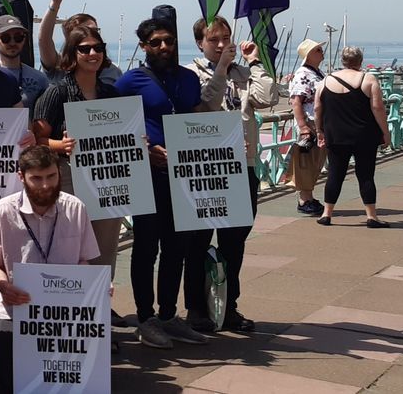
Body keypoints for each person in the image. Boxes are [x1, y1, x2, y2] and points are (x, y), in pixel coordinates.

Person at [116, 17, 211, 349]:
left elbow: (197, 117)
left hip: (184, 175)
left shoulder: (188, 78)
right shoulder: (130, 81)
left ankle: (170, 315)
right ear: (143, 46)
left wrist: (224, 143)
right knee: (145, 248)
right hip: (147, 176)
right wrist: (143, 149)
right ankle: (146, 319)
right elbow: (114, 125)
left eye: (168, 40)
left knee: (177, 248)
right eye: (155, 42)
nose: (164, 47)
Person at [181, 17, 278, 332]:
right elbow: (202, 108)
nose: (223, 44)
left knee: (234, 242)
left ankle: (228, 305)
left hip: (242, 167)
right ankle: (196, 308)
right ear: (200, 43)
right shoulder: (191, 74)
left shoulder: (244, 73)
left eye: (226, 37)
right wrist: (221, 66)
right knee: (197, 243)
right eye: (214, 40)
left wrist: (254, 61)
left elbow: (269, 96)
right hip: (206, 170)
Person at [0, 145, 102, 393]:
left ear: (59, 172)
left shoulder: (75, 208)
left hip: (63, 310)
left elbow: (84, 260)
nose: (46, 185)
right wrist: (4, 286)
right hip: (13, 307)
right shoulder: (1, 212)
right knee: (10, 375)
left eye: (51, 176)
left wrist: (94, 285)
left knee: (73, 377)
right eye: (36, 178)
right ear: (21, 177)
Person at [30, 26, 125, 320]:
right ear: (72, 54)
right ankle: (71, 315)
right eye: (85, 49)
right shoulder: (57, 92)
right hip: (69, 177)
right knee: (70, 248)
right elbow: (36, 138)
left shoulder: (111, 92)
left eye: (98, 47)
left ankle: (98, 313)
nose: (93, 53)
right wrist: (61, 144)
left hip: (108, 177)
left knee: (106, 250)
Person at [316, 47, 391, 228]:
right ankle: (371, 216)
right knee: (365, 175)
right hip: (364, 135)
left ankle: (327, 214)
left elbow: (318, 108)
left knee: (335, 173)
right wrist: (385, 132)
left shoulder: (325, 81)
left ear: (342, 60)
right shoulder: (368, 79)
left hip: (336, 135)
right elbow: (378, 108)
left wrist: (319, 130)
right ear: (360, 60)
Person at [37, 0, 124, 84]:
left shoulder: (113, 71)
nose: (91, 35)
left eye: (95, 31)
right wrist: (55, 3)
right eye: (83, 32)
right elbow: (44, 40)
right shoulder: (59, 67)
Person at [287, 40, 329, 216]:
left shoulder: (316, 72)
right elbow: (296, 101)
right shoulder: (303, 74)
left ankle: (308, 197)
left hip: (318, 123)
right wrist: (303, 126)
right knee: (307, 162)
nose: (321, 52)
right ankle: (305, 199)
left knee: (315, 161)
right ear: (309, 54)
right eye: (317, 50)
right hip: (310, 124)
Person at [0, 15, 49, 109]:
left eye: (18, 37)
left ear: (24, 39)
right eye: (6, 38)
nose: (12, 43)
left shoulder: (40, 79)